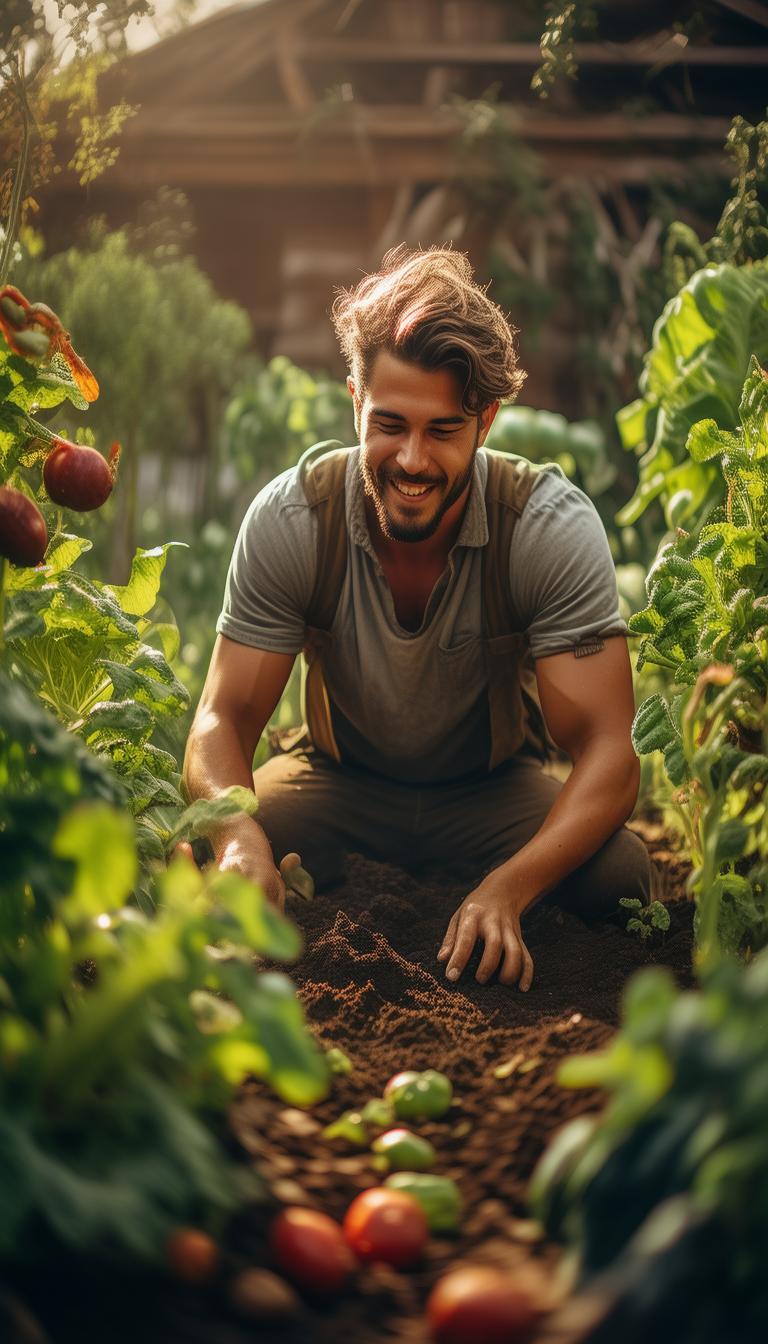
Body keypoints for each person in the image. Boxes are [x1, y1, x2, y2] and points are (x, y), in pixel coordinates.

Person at [183, 245, 651, 993]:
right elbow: (221, 719)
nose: (410, 458)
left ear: (485, 421)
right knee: (207, 849)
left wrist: (510, 887)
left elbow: (609, 751)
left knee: (620, 880)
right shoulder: (294, 517)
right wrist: (240, 838)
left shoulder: (545, 528)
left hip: (490, 795)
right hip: (336, 786)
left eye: (441, 431)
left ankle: (486, 881)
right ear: (354, 402)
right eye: (390, 424)